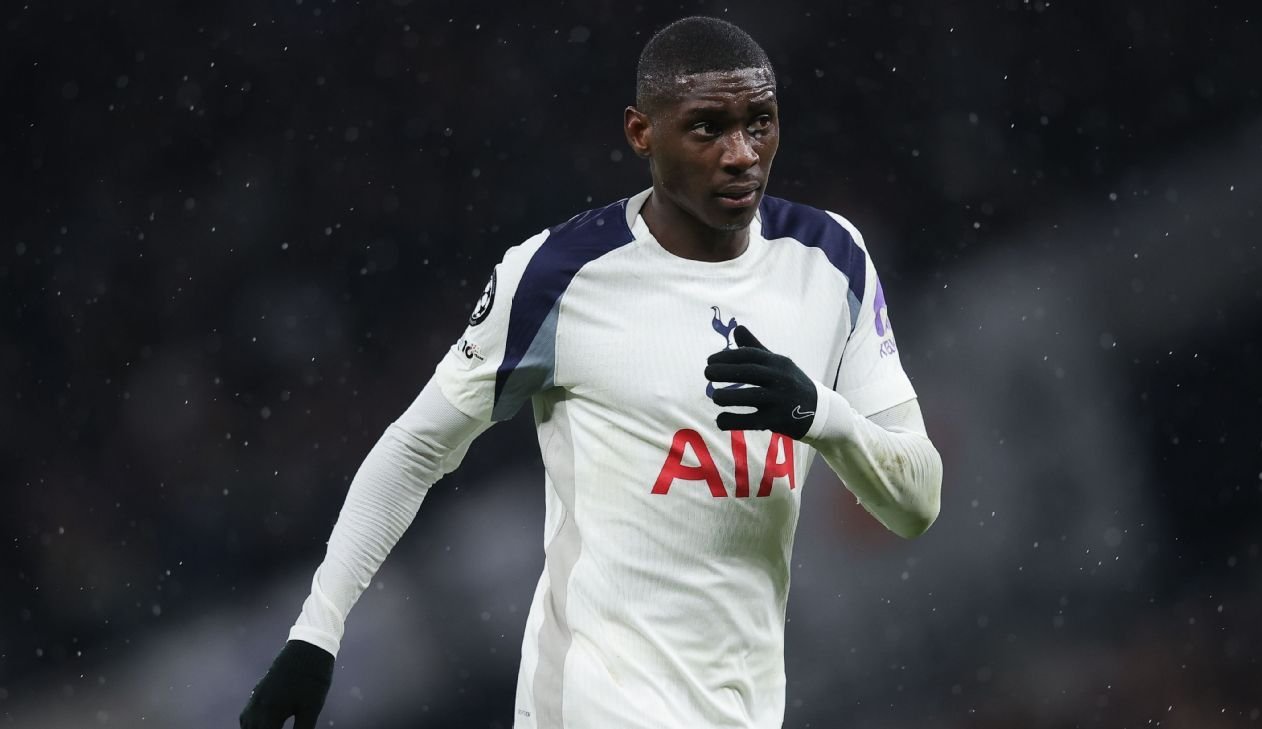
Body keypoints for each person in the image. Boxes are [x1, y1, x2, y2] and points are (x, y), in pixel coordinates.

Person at [239, 15, 943, 729]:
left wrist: (820, 416)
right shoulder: (557, 275)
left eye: (759, 122)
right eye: (706, 128)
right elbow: (416, 446)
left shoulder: (831, 259)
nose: (741, 154)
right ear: (641, 133)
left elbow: (917, 501)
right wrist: (316, 631)